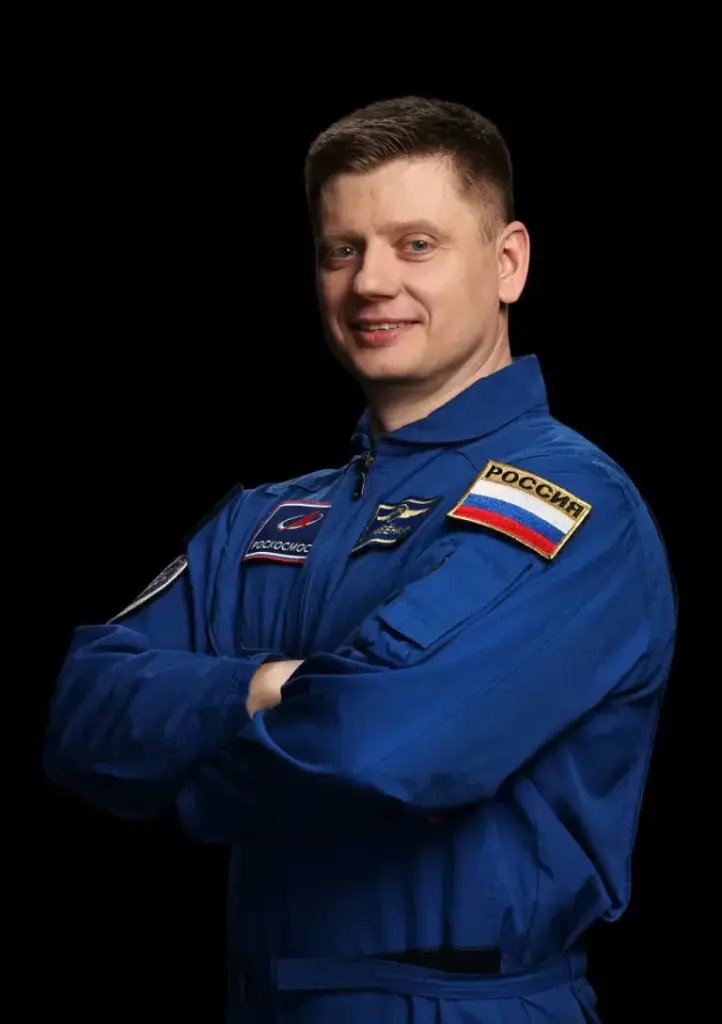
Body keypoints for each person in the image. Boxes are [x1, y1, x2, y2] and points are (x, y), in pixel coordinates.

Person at [43, 96, 677, 1023]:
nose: (371, 282)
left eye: (416, 245)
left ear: (508, 262)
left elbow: (376, 752)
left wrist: (181, 772)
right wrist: (262, 689)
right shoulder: (265, 517)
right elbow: (80, 709)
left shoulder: (571, 506)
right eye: (343, 250)